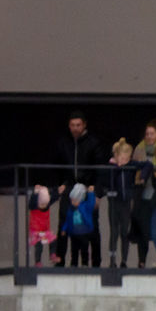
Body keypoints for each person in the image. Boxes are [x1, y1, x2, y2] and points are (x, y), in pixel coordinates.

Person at [51, 110, 107, 265]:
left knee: (92, 225)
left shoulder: (93, 143)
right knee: (64, 222)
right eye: (72, 125)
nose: (75, 128)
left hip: (88, 189)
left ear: (84, 125)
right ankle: (60, 261)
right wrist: (61, 184)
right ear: (69, 126)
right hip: (69, 187)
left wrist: (97, 192)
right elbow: (57, 166)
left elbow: (100, 169)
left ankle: (96, 263)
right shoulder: (64, 143)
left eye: (78, 125)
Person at [104, 139, 138, 268]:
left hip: (126, 202)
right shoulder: (111, 167)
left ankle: (124, 261)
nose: (125, 161)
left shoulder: (130, 166)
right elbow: (107, 181)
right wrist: (117, 167)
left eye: (127, 158)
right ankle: (112, 261)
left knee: (125, 232)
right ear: (117, 156)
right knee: (114, 232)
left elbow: (144, 166)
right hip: (114, 202)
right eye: (123, 158)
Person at [61, 183, 100, 268]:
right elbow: (68, 220)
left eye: (75, 200)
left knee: (84, 250)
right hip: (74, 233)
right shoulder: (71, 209)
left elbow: (91, 203)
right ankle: (74, 263)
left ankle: (84, 263)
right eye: (72, 200)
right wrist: (64, 229)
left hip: (84, 233)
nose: (73, 202)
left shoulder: (85, 206)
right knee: (74, 250)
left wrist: (90, 193)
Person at [27, 185, 56, 267]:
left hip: (45, 230)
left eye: (45, 205)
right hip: (35, 231)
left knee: (53, 240)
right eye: (42, 204)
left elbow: (53, 198)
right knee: (39, 245)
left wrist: (57, 191)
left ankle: (52, 254)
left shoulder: (46, 206)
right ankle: (38, 261)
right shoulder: (34, 207)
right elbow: (31, 203)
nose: (44, 206)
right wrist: (35, 193)